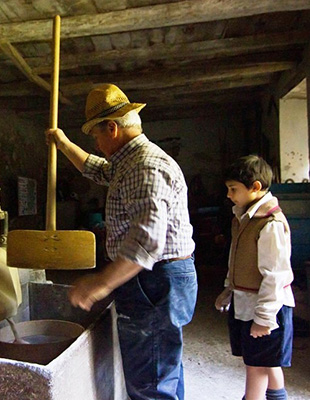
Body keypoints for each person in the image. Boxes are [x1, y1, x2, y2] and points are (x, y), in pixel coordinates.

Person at [46, 83, 197, 400]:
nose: (97, 144)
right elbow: (98, 169)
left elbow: (146, 242)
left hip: (154, 280)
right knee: (161, 366)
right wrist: (63, 144)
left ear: (111, 128)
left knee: (150, 381)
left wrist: (101, 283)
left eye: (96, 136)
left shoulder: (144, 167)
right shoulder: (128, 162)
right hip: (154, 277)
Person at [215, 155, 295, 400]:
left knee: (256, 364)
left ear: (256, 187)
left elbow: (275, 276)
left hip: (267, 306)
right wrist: (228, 289)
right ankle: (277, 396)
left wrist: (264, 317)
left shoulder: (269, 223)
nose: (229, 195)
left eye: (233, 189)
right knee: (267, 360)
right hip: (246, 302)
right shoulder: (243, 217)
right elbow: (236, 258)